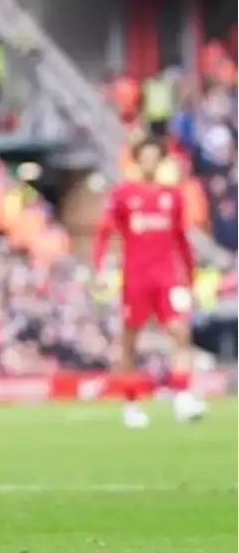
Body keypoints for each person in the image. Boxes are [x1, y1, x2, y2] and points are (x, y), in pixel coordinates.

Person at [92, 137, 206, 428]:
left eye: (156, 157)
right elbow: (104, 231)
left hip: (166, 278)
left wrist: (190, 280)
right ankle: (131, 404)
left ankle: (183, 397)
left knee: (180, 332)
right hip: (135, 278)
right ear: (137, 160)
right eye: (146, 157)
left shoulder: (173, 196)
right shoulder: (123, 195)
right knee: (130, 342)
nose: (150, 162)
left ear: (161, 161)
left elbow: (182, 239)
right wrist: (100, 267)